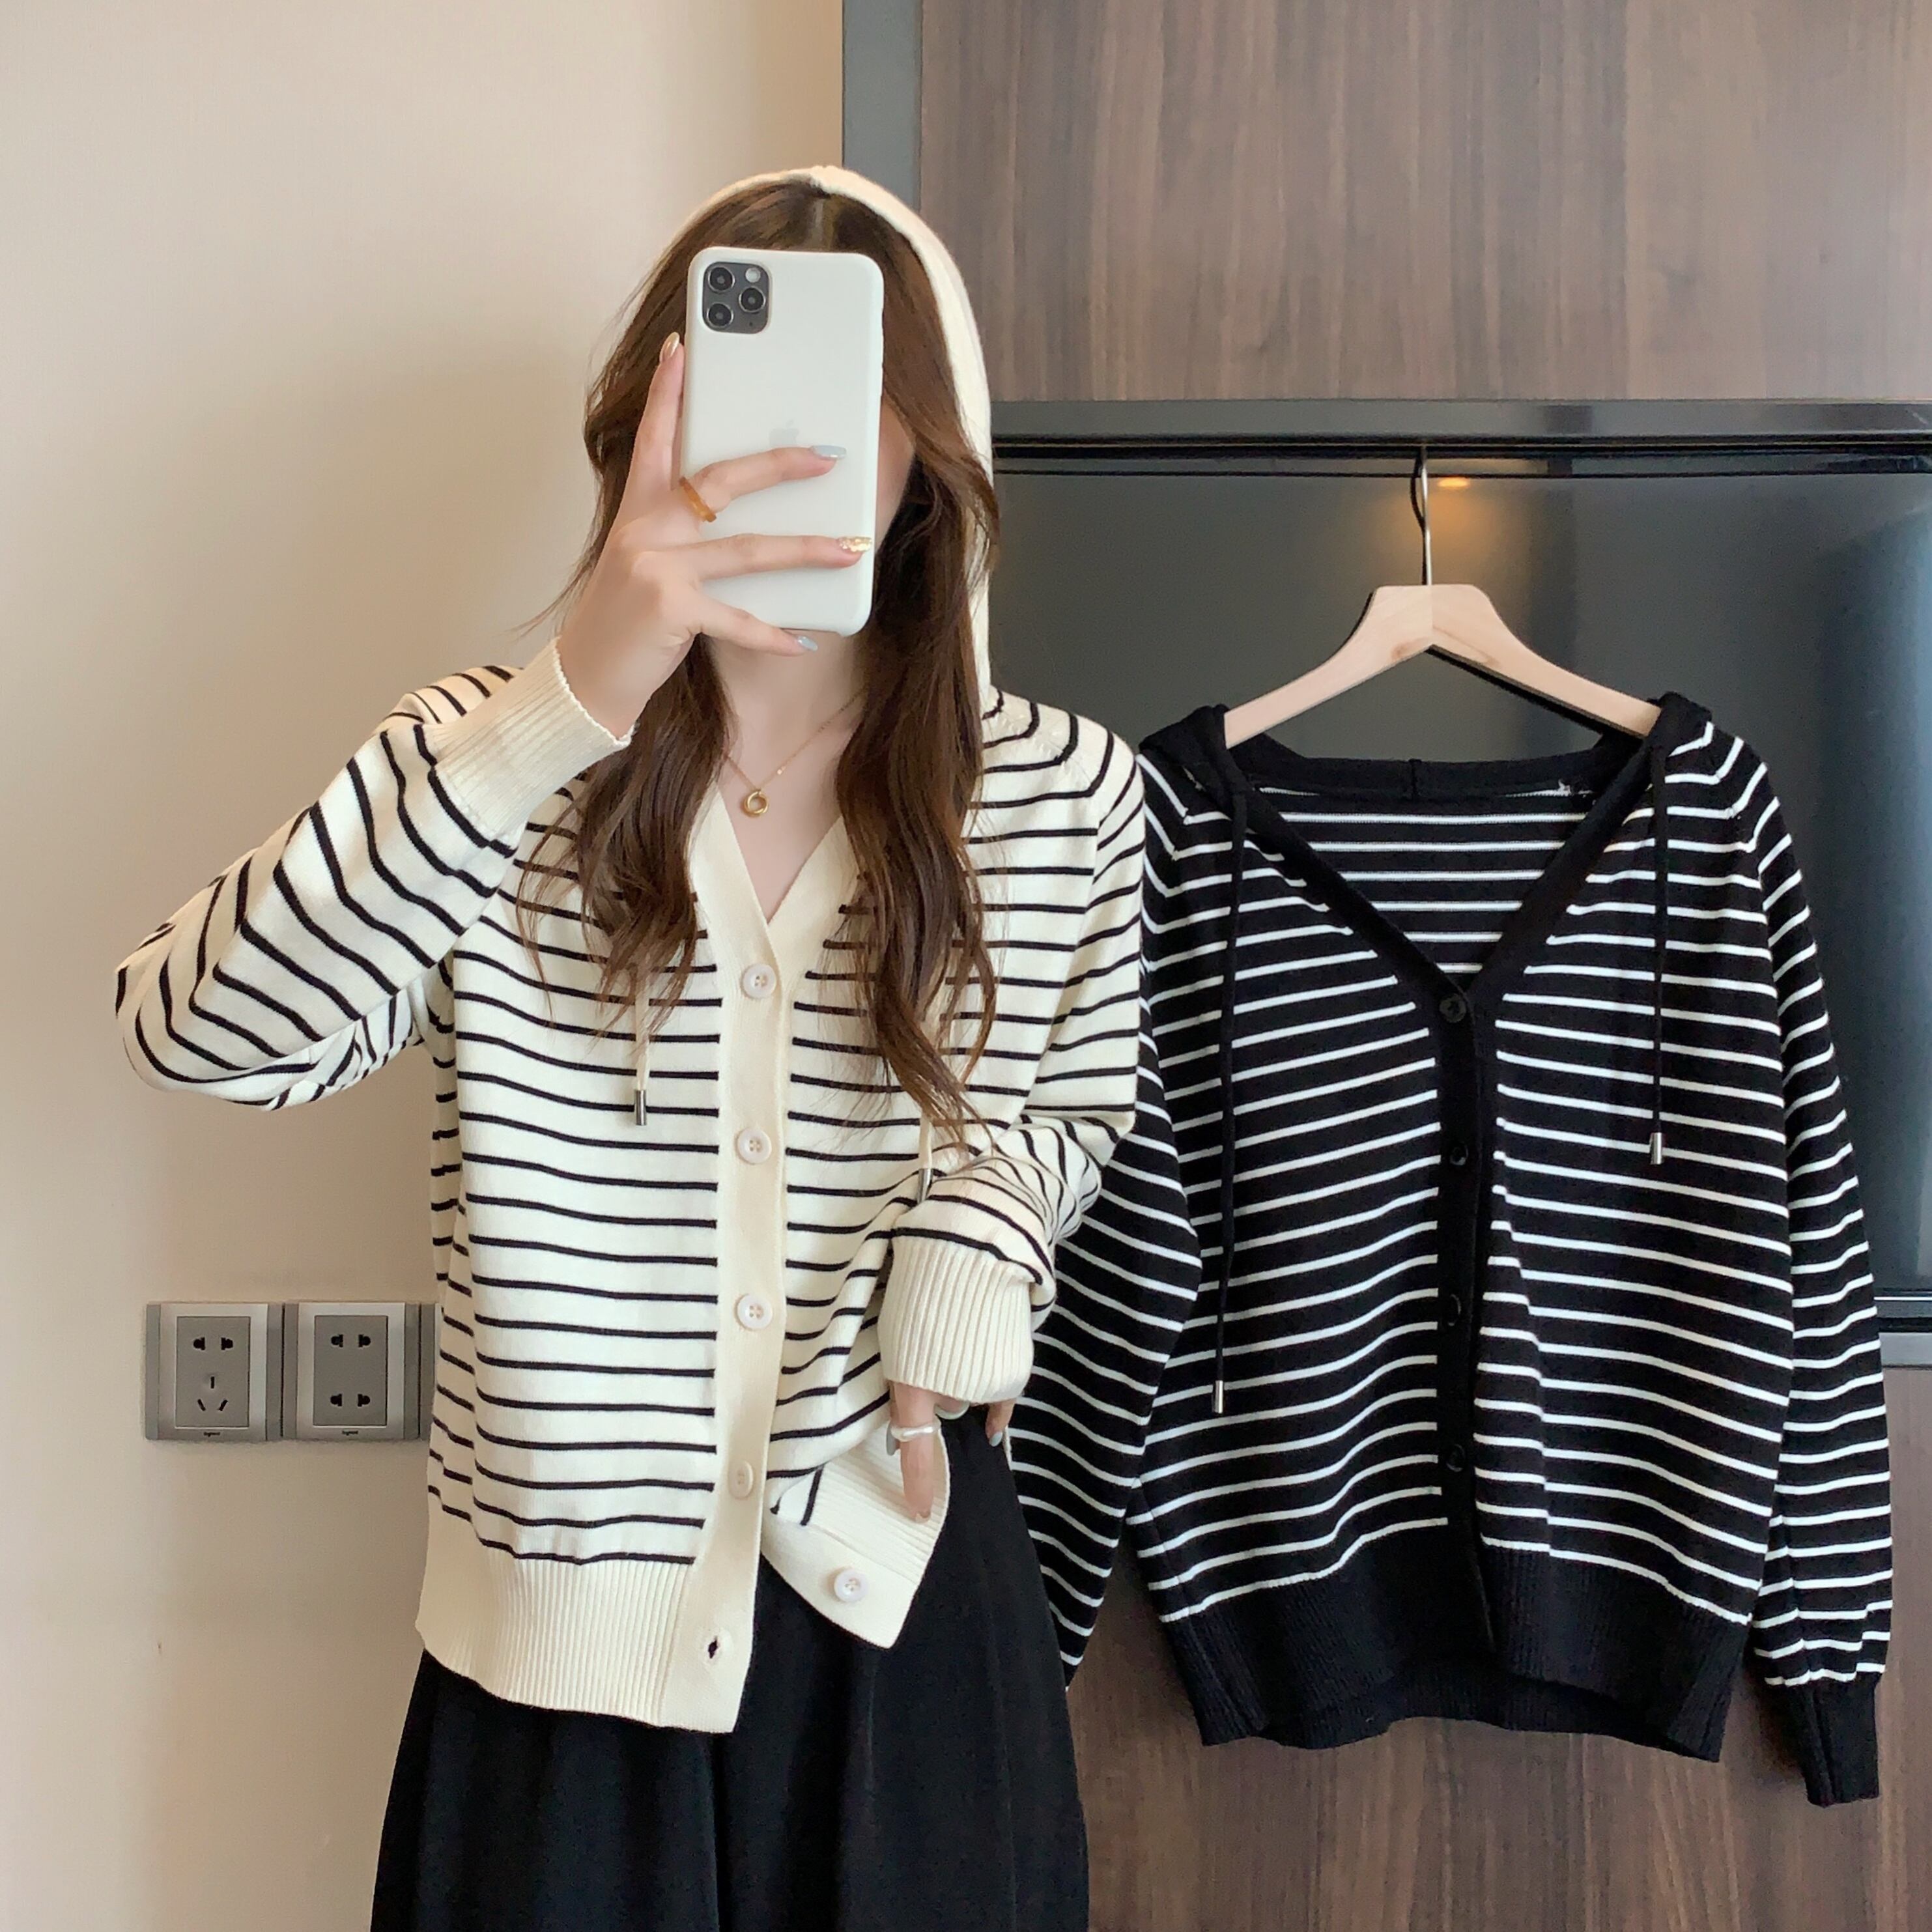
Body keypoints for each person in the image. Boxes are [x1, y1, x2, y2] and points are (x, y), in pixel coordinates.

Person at [113, 163, 1143, 1932]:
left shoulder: (1058, 789)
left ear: (929, 448)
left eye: (858, 390)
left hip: (903, 1630)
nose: (801, 439)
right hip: (552, 1670)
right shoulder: (490, 760)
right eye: (747, 381)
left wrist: (982, 1233)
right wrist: (570, 697)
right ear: (651, 416)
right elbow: (198, 1031)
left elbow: (1069, 1099)